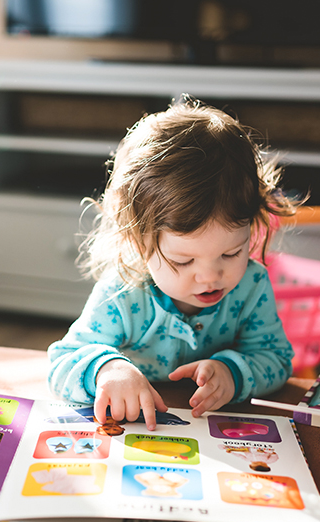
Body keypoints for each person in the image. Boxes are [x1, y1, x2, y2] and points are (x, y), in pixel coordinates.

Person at [47, 98, 299, 431]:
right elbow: (62, 361)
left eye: (231, 253)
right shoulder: (122, 292)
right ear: (138, 243)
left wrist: (232, 372)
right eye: (183, 260)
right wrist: (107, 369)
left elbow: (277, 360)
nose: (211, 276)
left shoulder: (251, 287)